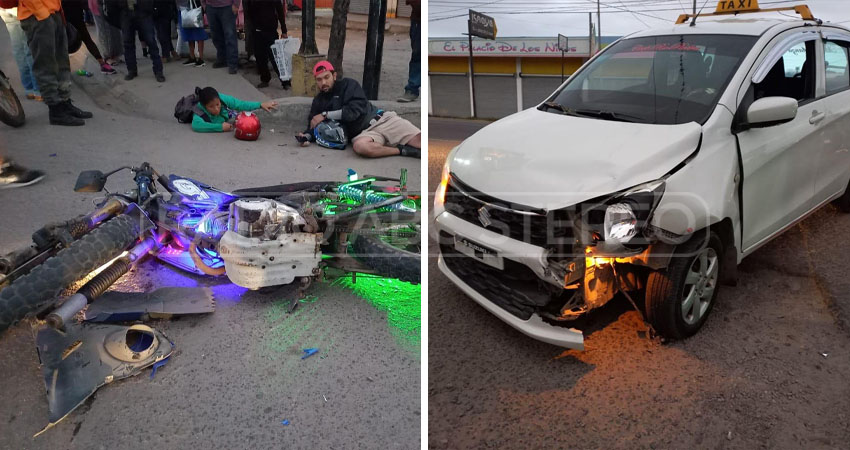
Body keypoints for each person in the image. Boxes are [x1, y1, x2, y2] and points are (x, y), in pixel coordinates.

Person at [297, 61, 420, 158]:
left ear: (334, 76)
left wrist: (325, 115)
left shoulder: (349, 85)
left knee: (421, 142)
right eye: (319, 79)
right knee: (361, 147)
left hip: (381, 120)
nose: (323, 82)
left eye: (326, 77)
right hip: (363, 135)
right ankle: (402, 150)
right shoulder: (318, 101)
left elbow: (352, 113)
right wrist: (306, 136)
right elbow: (313, 124)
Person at [18, 0, 94, 126]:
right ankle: (55, 110)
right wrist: (42, 14)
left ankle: (64, 102)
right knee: (46, 65)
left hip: (54, 12)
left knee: (62, 62)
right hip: (38, 16)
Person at [61, 0, 118, 74]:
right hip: (67, 17)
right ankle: (102, 64)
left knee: (86, 40)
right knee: (64, 45)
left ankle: (102, 64)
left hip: (74, 16)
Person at [242, 0, 288, 89]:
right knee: (260, 57)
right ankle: (265, 79)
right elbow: (248, 12)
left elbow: (280, 11)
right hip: (256, 31)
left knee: (276, 58)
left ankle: (285, 82)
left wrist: (284, 30)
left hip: (270, 31)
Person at [191, 86, 276, 132]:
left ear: (219, 99)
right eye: (211, 106)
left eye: (217, 104)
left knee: (237, 110)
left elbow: (240, 104)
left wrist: (260, 104)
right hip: (218, 121)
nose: (216, 109)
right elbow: (196, 125)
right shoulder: (199, 110)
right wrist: (220, 127)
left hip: (226, 114)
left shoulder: (222, 98)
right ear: (204, 106)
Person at [117, 0, 166, 81]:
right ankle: (131, 70)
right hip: (126, 12)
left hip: (143, 12)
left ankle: (158, 71)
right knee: (128, 43)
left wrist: (150, 9)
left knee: (151, 41)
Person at [0, 7, 42, 101]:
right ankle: (37, 89)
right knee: (30, 49)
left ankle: (29, 88)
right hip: (21, 8)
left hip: (4, 8)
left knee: (18, 50)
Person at [206, 0, 240, 74]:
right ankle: (222, 59)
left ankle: (233, 64)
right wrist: (204, 4)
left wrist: (236, 4)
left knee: (230, 36)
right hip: (210, 7)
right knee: (216, 36)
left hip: (227, 7)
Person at [88, 0, 124, 64]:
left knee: (114, 29)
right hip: (98, 4)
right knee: (104, 31)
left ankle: (115, 54)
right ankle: (107, 56)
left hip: (109, 3)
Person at [397, 0, 419, 103]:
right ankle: (412, 89)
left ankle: (412, 88)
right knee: (417, 54)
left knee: (419, 55)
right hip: (418, 19)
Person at [177, 0, 209, 66]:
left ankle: (200, 58)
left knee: (198, 33)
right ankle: (192, 56)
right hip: (182, 9)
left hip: (194, 8)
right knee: (188, 33)